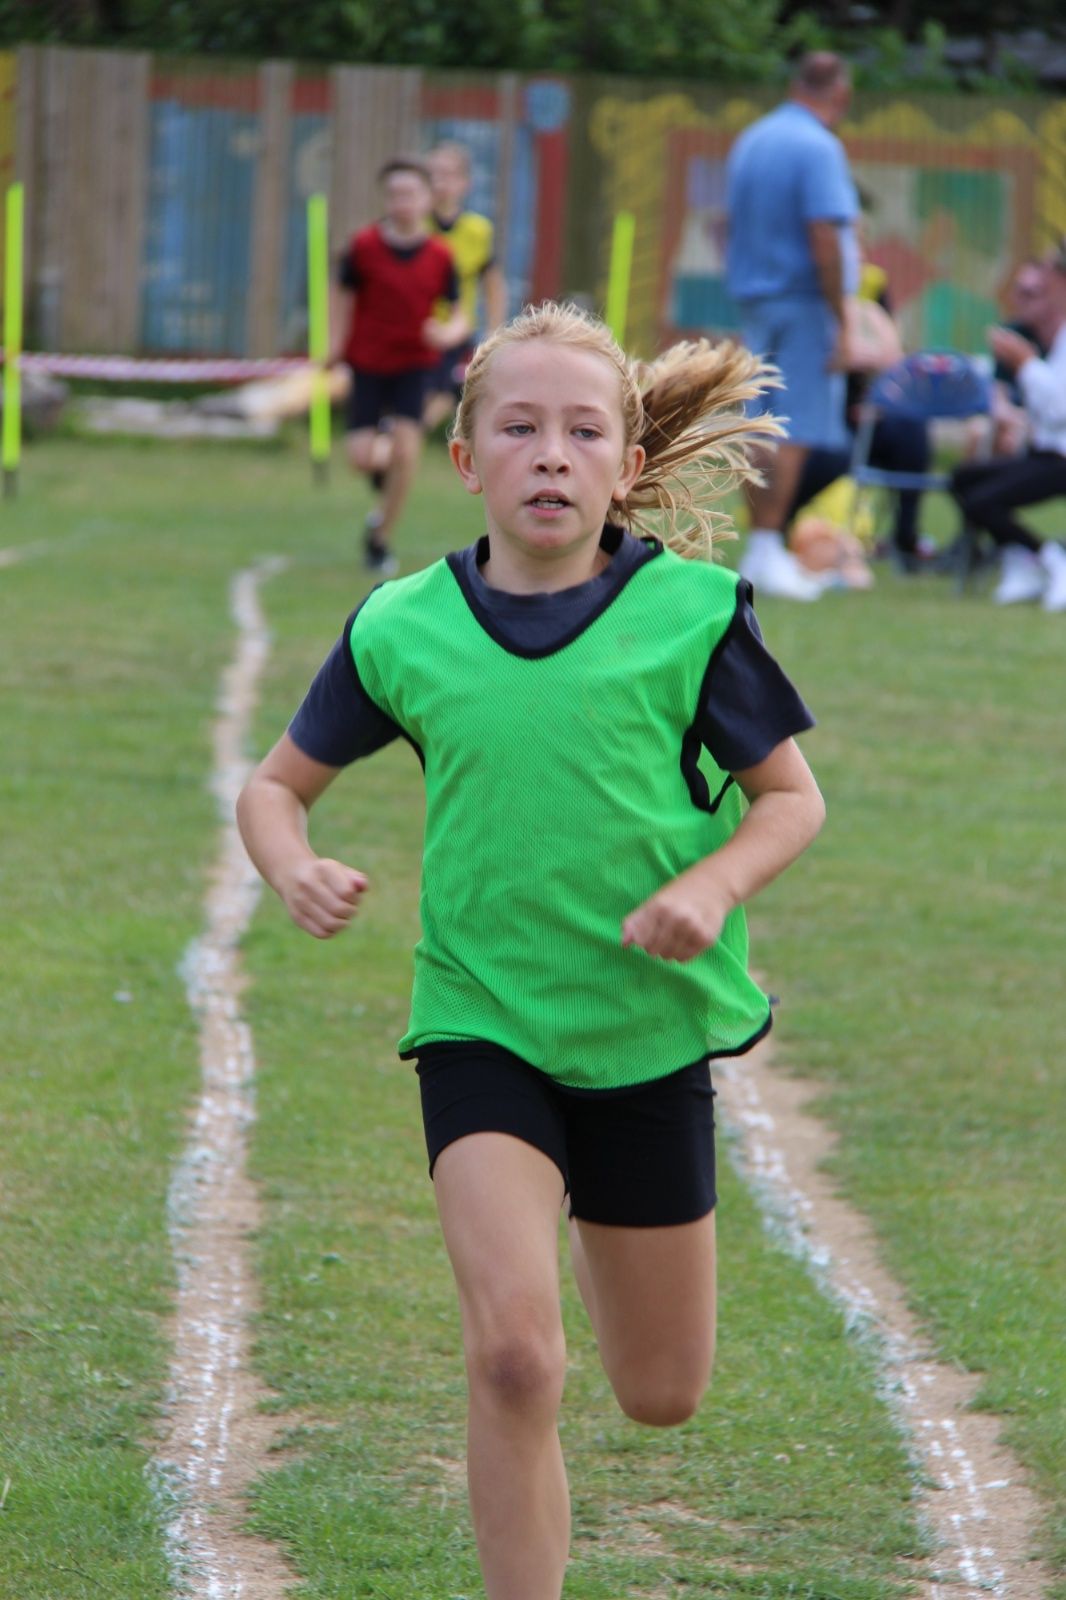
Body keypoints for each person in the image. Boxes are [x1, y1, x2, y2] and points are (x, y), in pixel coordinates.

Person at [236, 301, 825, 1600]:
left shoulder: (691, 616)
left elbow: (791, 802)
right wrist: (293, 864)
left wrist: (709, 884)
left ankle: (615, 1259)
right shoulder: (402, 626)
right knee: (513, 1356)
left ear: (625, 464)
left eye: (581, 431)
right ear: (465, 460)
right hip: (481, 1025)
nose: (550, 453)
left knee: (660, 1391)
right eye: (517, 428)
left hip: (645, 1028)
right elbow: (274, 788)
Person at [725, 51, 860, 600]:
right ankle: (766, 544)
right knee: (793, 427)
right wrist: (843, 318)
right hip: (804, 300)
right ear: (839, 94)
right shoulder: (819, 147)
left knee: (755, 424)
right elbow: (825, 235)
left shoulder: (752, 139)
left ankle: (762, 545)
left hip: (754, 299)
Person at [328, 157, 469, 574]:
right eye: (394, 194)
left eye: (410, 193)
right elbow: (342, 296)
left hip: (415, 364)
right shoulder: (364, 246)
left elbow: (459, 314)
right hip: (368, 362)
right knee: (361, 457)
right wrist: (334, 344)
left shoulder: (440, 255)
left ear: (427, 199)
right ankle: (381, 476)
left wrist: (447, 333)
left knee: (406, 451)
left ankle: (379, 538)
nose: (402, 201)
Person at [950, 242, 1066, 611]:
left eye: (1048, 278)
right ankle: (1024, 561)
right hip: (1044, 451)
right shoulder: (1042, 333)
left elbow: (1060, 408)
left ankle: (1052, 559)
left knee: (984, 501)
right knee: (965, 479)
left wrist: (1026, 363)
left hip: (1060, 458)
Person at [424, 141, 508, 433]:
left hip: (455, 330)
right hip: (414, 327)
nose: (440, 183)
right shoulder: (413, 225)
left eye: (448, 175)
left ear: (465, 183)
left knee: (449, 388)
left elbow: (493, 284)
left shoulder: (477, 230)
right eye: (433, 174)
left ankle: (411, 431)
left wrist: (493, 333)